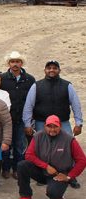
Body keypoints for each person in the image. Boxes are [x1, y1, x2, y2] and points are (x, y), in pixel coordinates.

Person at [23, 60, 83, 189]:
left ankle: (70, 175)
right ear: (45, 70)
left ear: (59, 70)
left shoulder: (67, 86)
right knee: (41, 149)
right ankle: (43, 174)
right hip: (41, 123)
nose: (52, 70)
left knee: (68, 148)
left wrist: (79, 123)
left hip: (62, 123)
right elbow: (29, 106)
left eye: (54, 68)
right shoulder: (36, 86)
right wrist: (27, 124)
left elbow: (76, 105)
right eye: (49, 68)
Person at [16, 115, 86, 199]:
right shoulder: (38, 136)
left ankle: (55, 190)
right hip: (41, 171)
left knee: (54, 196)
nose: (52, 130)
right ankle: (25, 195)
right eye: (49, 126)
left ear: (60, 126)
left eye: (55, 126)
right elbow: (29, 155)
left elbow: (82, 160)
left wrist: (69, 176)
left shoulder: (69, 140)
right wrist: (46, 166)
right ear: (45, 126)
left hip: (59, 174)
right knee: (22, 165)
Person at [0, 51, 35, 180]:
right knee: (6, 145)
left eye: (17, 61)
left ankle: (17, 169)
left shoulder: (30, 79)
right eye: (12, 61)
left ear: (21, 63)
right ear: (9, 63)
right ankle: (5, 168)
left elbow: (32, 100)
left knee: (20, 145)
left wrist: (29, 120)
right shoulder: (2, 79)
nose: (15, 64)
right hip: (6, 119)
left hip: (22, 118)